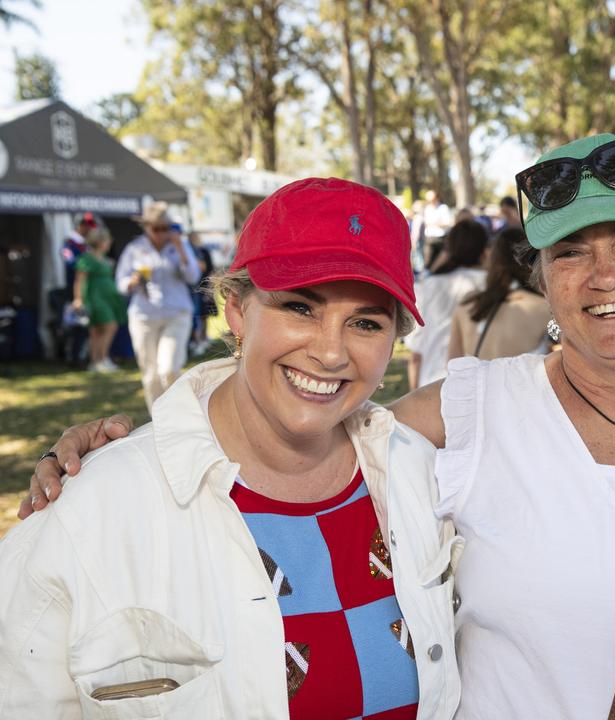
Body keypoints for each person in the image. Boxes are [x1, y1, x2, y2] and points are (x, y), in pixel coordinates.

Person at [30, 134, 615, 719]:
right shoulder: (468, 409)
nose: (607, 274)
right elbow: (301, 413)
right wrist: (118, 454)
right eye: (572, 252)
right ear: (540, 278)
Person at [1, 178, 459, 718]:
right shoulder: (90, 511)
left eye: (364, 322)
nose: (331, 352)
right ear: (236, 311)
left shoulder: (424, 479)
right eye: (299, 307)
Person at [115, 203, 202, 409]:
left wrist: (180, 248)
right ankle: (157, 421)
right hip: (143, 315)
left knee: (169, 368)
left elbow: (193, 276)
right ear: (147, 227)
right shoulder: (135, 249)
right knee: (150, 373)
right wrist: (131, 282)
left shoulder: (179, 245)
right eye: (156, 228)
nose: (161, 234)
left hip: (177, 312)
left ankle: (177, 412)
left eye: (165, 228)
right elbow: (120, 282)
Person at [404, 218, 488, 388]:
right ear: (484, 250)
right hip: (478, 383)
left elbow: (416, 352)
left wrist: (414, 394)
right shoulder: (489, 286)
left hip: (431, 383)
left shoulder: (426, 286)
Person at [447, 226, 551, 361]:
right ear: (533, 262)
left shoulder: (467, 306)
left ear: (492, 261)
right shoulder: (545, 309)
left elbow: (452, 368)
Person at [72, 226, 126, 372]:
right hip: (95, 298)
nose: (110, 243)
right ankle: (102, 359)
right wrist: (78, 299)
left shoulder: (104, 259)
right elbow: (79, 280)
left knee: (96, 331)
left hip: (108, 298)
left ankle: (96, 361)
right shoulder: (86, 258)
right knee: (109, 326)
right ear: (100, 241)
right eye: (107, 240)